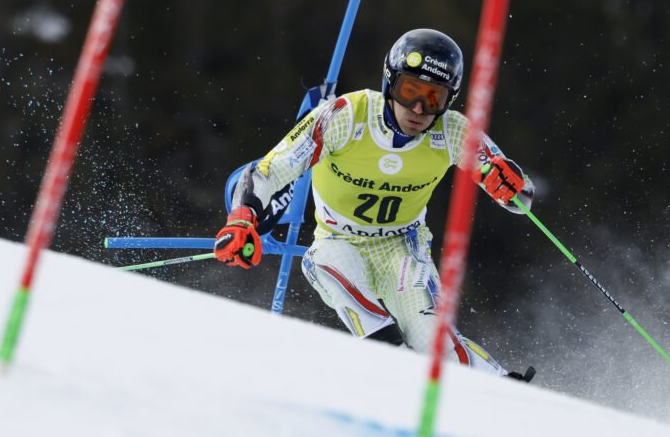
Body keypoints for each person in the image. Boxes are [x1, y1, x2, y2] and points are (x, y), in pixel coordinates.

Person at [214, 28, 536, 381]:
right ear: (390, 82)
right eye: (409, 90)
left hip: (402, 248)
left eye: (434, 98)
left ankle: (508, 393)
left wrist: (508, 183)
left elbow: (522, 200)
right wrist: (242, 218)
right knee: (332, 268)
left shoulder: (452, 132)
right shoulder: (346, 116)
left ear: (449, 101)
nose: (418, 109)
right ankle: (391, 362)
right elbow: (268, 171)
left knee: (433, 341)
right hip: (339, 240)